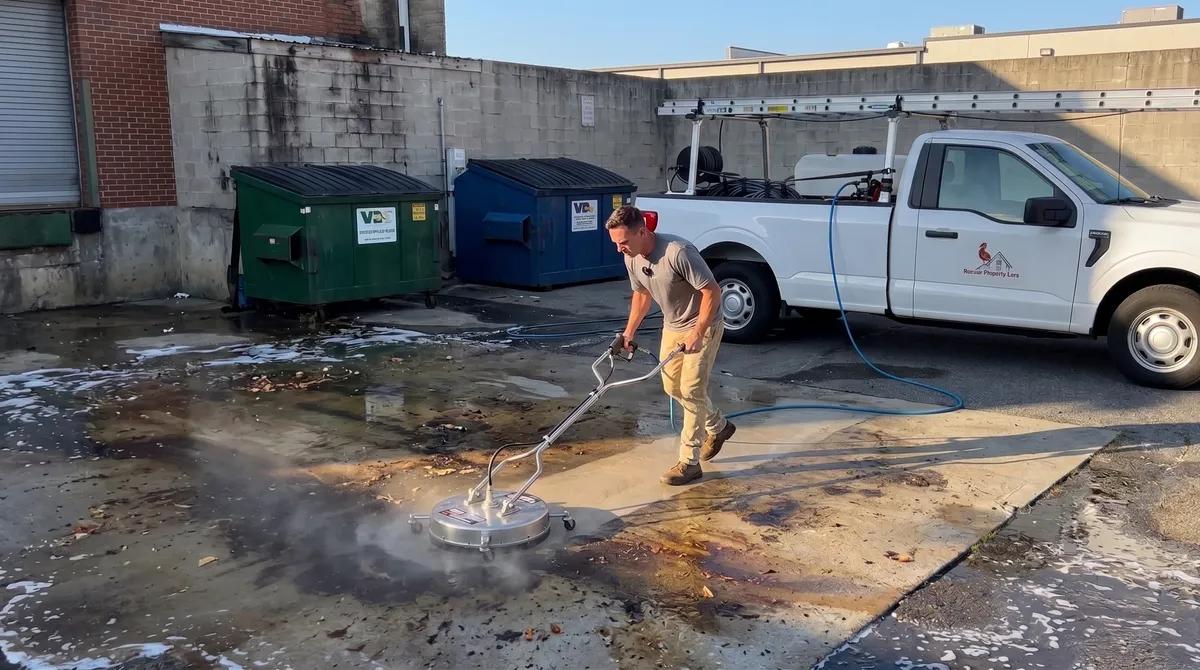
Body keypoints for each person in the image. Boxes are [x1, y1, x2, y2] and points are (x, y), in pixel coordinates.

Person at [606, 205, 736, 485]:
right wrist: (628, 333)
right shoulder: (632, 257)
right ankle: (719, 426)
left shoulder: (678, 252)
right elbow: (641, 294)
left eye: (624, 242)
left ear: (643, 231)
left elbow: (712, 290)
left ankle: (689, 462)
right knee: (671, 386)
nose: (620, 249)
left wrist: (698, 332)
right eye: (616, 244)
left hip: (704, 324)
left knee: (690, 389)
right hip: (673, 326)